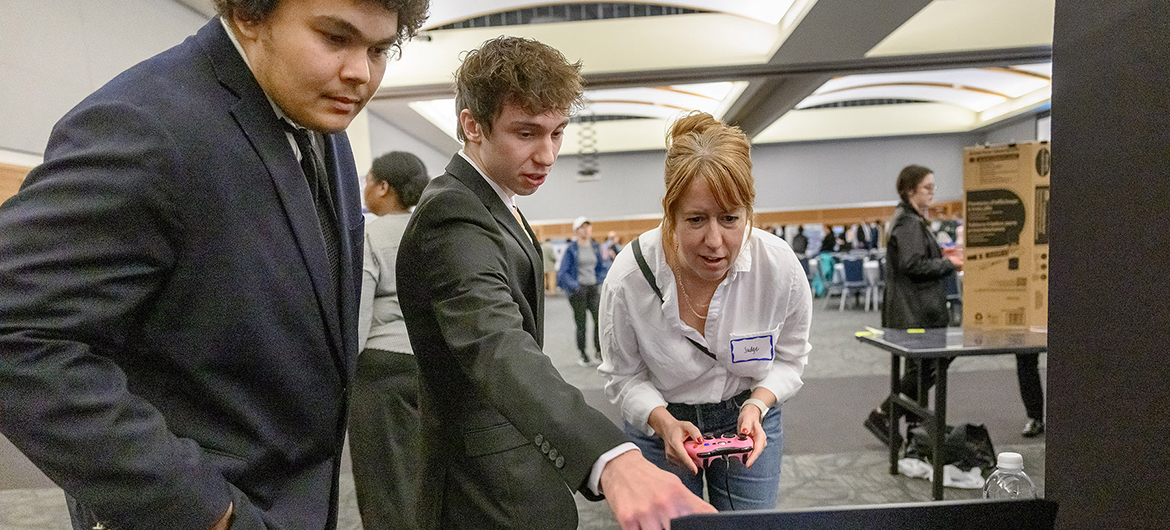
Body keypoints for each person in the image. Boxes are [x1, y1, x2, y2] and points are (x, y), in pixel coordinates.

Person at [0, 1, 429, 529]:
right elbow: (15, 331)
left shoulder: (320, 125)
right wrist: (203, 510)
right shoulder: (148, 124)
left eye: (380, 49)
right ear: (250, 15)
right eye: (335, 38)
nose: (361, 72)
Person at [395, 36, 715, 530]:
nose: (547, 155)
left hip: (519, 449)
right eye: (526, 133)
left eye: (557, 133)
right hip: (483, 480)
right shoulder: (453, 214)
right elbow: (496, 345)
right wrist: (613, 459)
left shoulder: (492, 202)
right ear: (471, 126)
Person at [598, 111, 813, 511]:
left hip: (749, 420)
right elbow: (623, 377)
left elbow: (790, 359)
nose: (715, 241)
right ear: (670, 212)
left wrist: (758, 403)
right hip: (659, 422)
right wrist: (663, 422)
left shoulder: (779, 267)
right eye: (696, 219)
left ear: (749, 212)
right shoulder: (629, 277)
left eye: (730, 219)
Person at [349, 151, 430, 530]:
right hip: (429, 367)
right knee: (426, 474)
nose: (364, 188)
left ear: (384, 187)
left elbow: (358, 312)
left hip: (380, 372)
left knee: (384, 484)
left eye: (368, 180)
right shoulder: (433, 230)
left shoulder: (368, 235)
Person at [863, 164, 964, 448]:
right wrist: (949, 263)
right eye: (927, 188)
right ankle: (884, 415)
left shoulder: (910, 219)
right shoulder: (908, 222)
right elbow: (912, 264)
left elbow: (914, 257)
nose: (932, 193)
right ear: (910, 191)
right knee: (923, 371)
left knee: (921, 371)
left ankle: (914, 428)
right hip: (914, 311)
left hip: (915, 309)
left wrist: (940, 254)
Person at [558, 216, 608, 366]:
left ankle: (599, 351)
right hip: (578, 291)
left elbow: (601, 267)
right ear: (577, 230)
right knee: (581, 324)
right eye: (582, 227)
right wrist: (575, 286)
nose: (585, 230)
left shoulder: (595, 247)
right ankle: (583, 353)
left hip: (593, 288)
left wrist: (600, 280)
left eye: (588, 227)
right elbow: (563, 273)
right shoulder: (571, 249)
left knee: (599, 322)